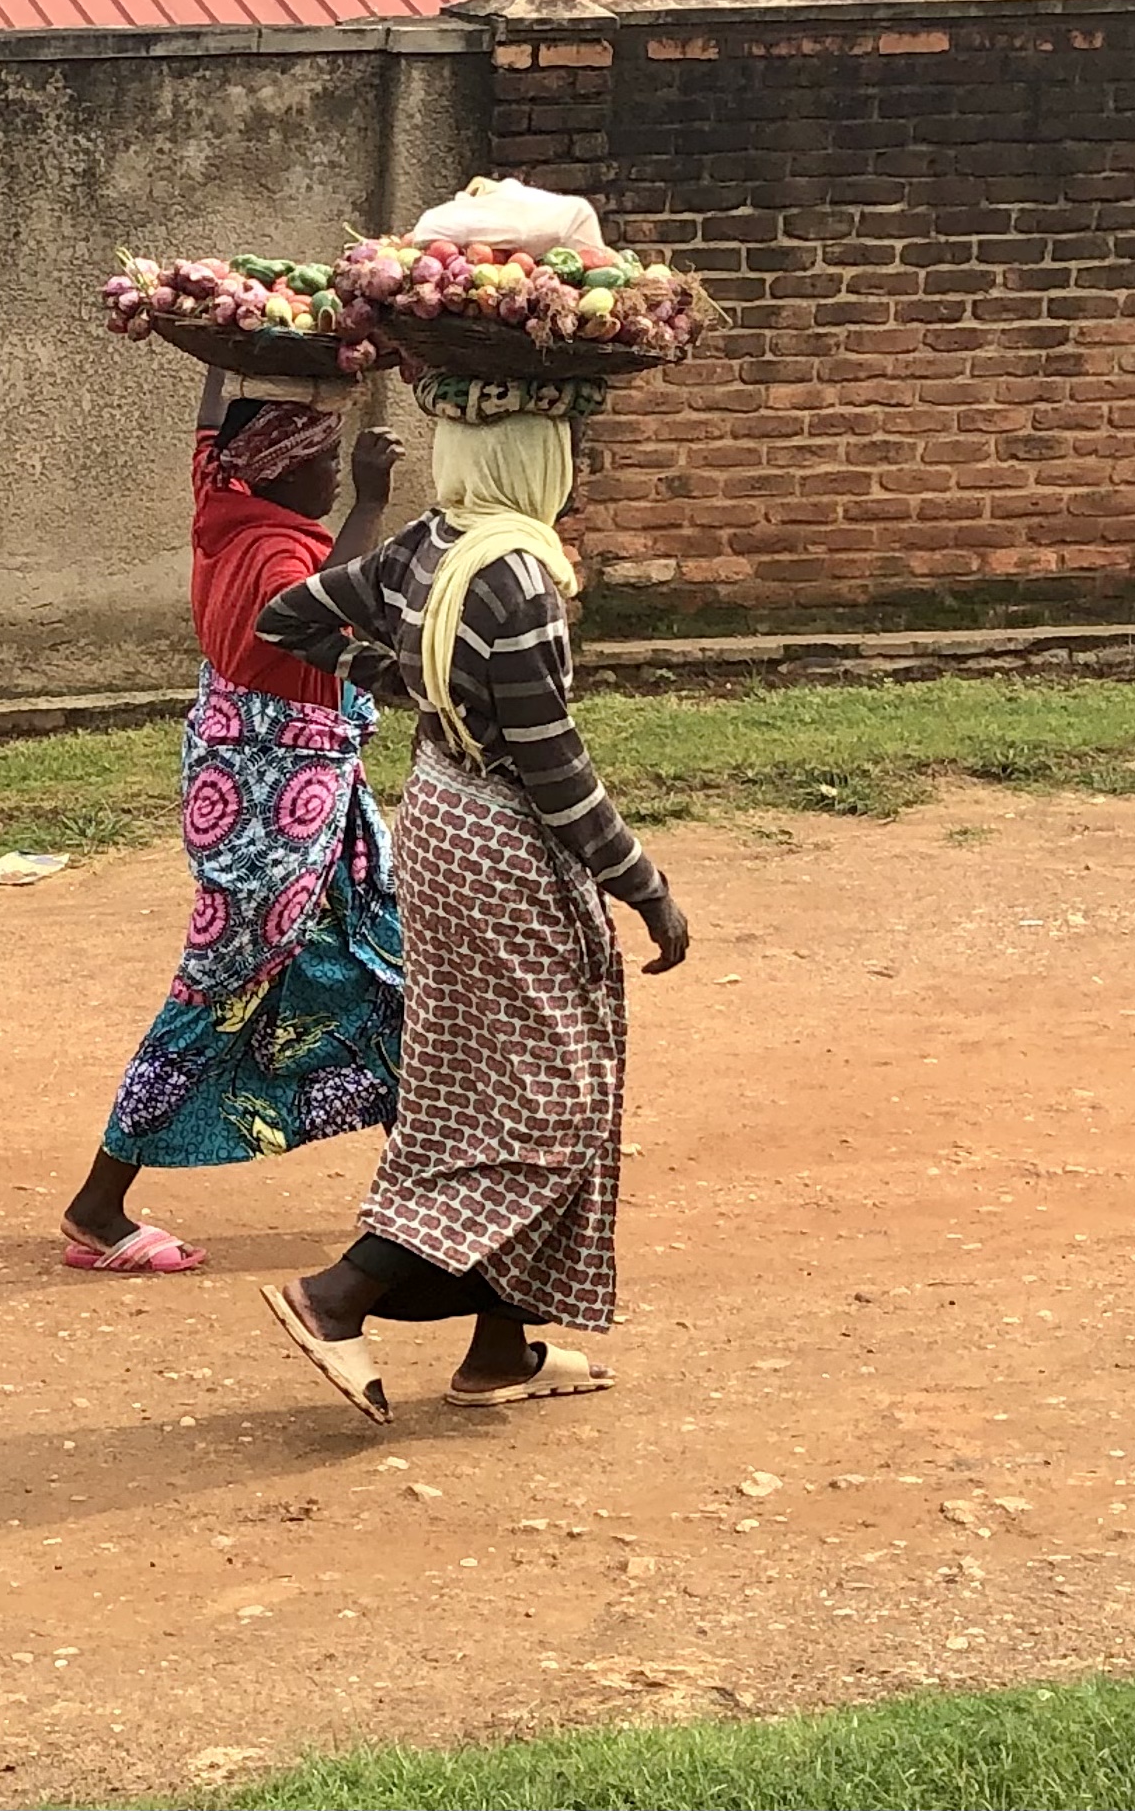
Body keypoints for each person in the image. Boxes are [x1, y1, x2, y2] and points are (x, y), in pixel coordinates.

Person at [249, 391, 688, 1418]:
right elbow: (553, 765)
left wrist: (411, 683)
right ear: (538, 459)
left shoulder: (430, 545)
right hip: (502, 838)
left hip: (438, 813)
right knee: (552, 1098)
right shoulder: (520, 578)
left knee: (474, 1067)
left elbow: (290, 617)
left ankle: (500, 1348)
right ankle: (337, 1293)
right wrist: (645, 886)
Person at [58, 370, 408, 1275]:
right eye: (325, 460)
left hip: (272, 788)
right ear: (278, 468)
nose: (335, 475)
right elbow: (313, 615)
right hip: (274, 807)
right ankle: (99, 1205)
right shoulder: (275, 555)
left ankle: (424, 1194)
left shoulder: (226, 505)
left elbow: (211, 434)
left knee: (391, 964)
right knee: (217, 993)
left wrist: (224, 358)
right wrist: (371, 507)